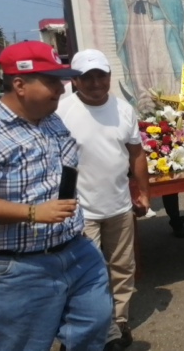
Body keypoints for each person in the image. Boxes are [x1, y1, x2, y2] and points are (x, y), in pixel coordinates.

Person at [0, 41, 112, 350]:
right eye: (50, 81)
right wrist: (33, 212)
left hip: (75, 252)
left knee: (94, 323)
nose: (60, 89)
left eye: (60, 80)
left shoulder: (50, 119)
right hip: (15, 269)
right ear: (19, 84)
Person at [56, 49, 150, 350]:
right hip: (79, 209)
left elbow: (136, 153)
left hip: (119, 204)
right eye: (88, 77)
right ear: (76, 80)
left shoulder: (124, 109)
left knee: (122, 266)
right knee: (88, 272)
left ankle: (119, 319)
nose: (96, 82)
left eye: (101, 75)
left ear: (109, 76)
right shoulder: (61, 110)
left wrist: (143, 192)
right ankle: (96, 325)